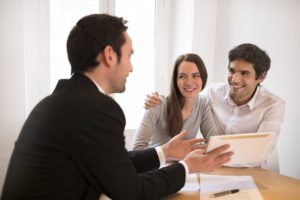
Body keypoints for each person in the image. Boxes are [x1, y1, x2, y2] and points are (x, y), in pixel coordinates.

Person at [1, 14, 233, 200]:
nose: (131, 68)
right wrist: (186, 167)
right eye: (129, 56)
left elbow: (115, 164)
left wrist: (166, 151)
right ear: (110, 56)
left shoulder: (63, 100)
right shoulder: (96, 108)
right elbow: (130, 192)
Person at [144, 43, 285, 168]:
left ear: (261, 77)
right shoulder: (212, 93)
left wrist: (206, 155)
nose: (235, 79)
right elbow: (189, 93)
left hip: (251, 171)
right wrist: (157, 100)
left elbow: (259, 152)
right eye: (232, 71)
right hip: (212, 168)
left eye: (244, 73)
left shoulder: (273, 105)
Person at [133, 53, 218, 150]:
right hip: (158, 164)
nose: (189, 82)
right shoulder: (157, 104)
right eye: (182, 76)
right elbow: (137, 149)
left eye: (195, 75)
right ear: (175, 80)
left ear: (203, 78)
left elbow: (214, 142)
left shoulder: (203, 103)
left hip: (185, 164)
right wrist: (170, 153)